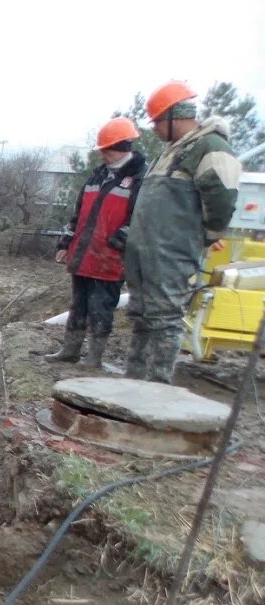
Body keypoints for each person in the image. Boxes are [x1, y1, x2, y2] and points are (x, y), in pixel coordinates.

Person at [123, 81, 242, 383]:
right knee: (141, 316)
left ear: (175, 116)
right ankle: (132, 382)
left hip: (171, 252)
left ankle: (156, 387)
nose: (155, 129)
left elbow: (222, 200)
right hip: (146, 251)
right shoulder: (172, 151)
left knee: (164, 319)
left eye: (158, 122)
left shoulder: (211, 148)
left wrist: (207, 236)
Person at [48, 117, 147, 369]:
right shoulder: (97, 177)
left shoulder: (139, 180)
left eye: (107, 149)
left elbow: (142, 220)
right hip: (84, 255)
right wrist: (65, 243)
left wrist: (117, 241)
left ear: (122, 146)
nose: (103, 154)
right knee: (78, 304)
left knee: (101, 307)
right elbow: (79, 215)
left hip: (111, 260)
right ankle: (70, 350)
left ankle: (94, 357)